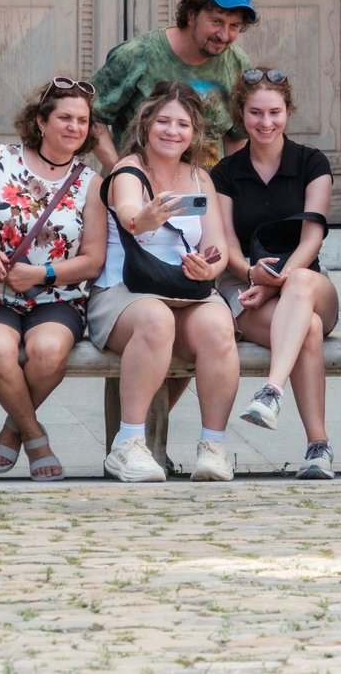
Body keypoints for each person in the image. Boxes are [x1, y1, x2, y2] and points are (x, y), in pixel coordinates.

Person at [0, 78, 107, 480]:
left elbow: (93, 261)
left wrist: (42, 273)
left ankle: (12, 430)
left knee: (49, 352)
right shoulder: (2, 158)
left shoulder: (91, 183)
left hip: (58, 298)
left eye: (83, 120)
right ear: (40, 121)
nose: (74, 127)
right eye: (65, 118)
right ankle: (35, 435)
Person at [88, 82, 241, 483]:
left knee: (218, 325)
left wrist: (209, 268)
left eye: (183, 125)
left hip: (184, 288)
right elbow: (127, 211)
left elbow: (218, 247)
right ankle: (128, 445)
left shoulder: (199, 179)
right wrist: (144, 220)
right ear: (146, 124)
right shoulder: (128, 170)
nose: (172, 131)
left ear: (195, 133)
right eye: (164, 122)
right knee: (157, 320)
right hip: (126, 292)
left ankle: (213, 446)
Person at [210, 68, 338, 480]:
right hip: (245, 285)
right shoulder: (225, 172)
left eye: (274, 112)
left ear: (288, 111)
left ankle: (271, 390)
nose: (265, 123)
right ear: (241, 115)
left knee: (301, 286)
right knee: (310, 332)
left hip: (306, 282)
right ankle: (319, 447)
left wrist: (277, 282)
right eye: (255, 113)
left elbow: (312, 238)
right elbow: (227, 244)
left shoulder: (311, 162)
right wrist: (252, 275)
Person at [89, 0, 257, 169]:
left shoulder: (237, 62)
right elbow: (91, 116)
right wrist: (121, 173)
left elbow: (236, 136)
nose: (224, 35)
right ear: (192, 15)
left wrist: (229, 190)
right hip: (138, 193)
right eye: (216, 21)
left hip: (205, 193)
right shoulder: (137, 55)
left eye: (234, 26)